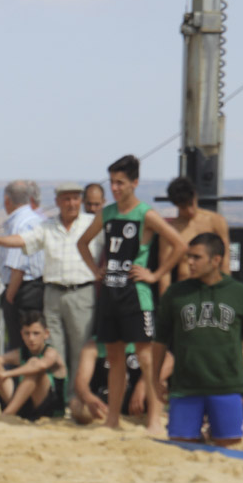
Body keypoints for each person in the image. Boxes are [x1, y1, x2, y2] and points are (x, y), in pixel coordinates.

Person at [76, 154, 188, 436]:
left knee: (146, 358)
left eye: (121, 183)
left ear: (135, 183)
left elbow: (179, 245)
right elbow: (83, 243)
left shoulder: (145, 214)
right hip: (110, 294)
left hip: (136, 296)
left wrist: (155, 273)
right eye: (112, 182)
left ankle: (154, 419)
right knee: (114, 359)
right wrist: (94, 269)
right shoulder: (107, 213)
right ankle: (112, 419)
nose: (115, 188)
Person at [0, 181, 99, 389]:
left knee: (80, 348)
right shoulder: (47, 226)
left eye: (75, 198)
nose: (71, 203)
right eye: (66, 199)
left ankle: (76, 396)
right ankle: (58, 399)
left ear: (80, 201)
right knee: (54, 350)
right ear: (57, 202)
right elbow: (24, 240)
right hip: (53, 293)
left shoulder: (93, 223)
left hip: (82, 292)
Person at [154, 233, 243, 445]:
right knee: (180, 443)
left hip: (227, 386)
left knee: (229, 443)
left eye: (196, 257)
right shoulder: (175, 294)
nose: (190, 262)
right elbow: (160, 340)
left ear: (216, 260)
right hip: (186, 387)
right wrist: (154, 377)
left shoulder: (240, 293)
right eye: (189, 257)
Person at [0, 310, 66, 421]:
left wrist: (5, 374)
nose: (31, 338)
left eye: (36, 333)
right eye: (27, 333)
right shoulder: (21, 353)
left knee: (33, 365)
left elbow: (40, 366)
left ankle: (7, 414)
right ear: (21, 334)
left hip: (48, 410)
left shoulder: (51, 353)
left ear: (46, 334)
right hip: (24, 407)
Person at [0, 179, 45, 351]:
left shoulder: (20, 223)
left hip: (23, 291)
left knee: (21, 345)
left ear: (7, 200)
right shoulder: (35, 219)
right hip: (35, 288)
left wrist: (10, 297)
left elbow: (18, 265)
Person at [162, 176, 231, 293]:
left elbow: (225, 260)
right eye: (184, 207)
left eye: (191, 204)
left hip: (213, 290)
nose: (190, 211)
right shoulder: (171, 230)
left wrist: (226, 292)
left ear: (195, 196)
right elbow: (165, 271)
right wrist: (164, 302)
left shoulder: (215, 221)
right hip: (185, 292)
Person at [70, 340, 146, 425]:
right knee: (77, 405)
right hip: (103, 403)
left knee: (155, 390)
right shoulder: (93, 347)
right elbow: (81, 382)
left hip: (136, 402)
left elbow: (158, 366)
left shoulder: (142, 343)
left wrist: (142, 386)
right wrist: (88, 397)